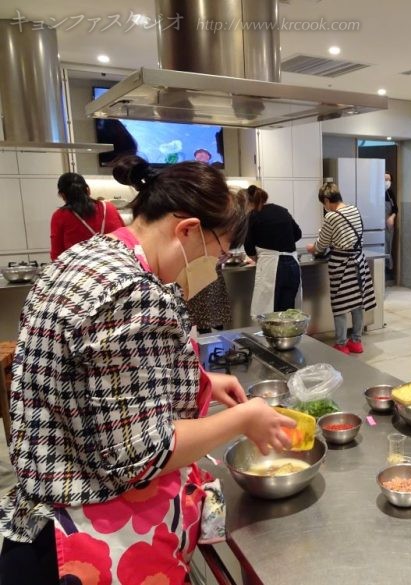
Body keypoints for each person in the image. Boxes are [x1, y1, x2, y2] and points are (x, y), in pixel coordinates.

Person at [0, 156, 296, 584]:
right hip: (88, 539)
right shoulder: (135, 292)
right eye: (217, 254)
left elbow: (94, 384)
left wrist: (202, 383)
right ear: (188, 229)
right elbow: (143, 454)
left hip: (42, 522)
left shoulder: (87, 257)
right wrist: (244, 418)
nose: (213, 270)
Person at [306, 182, 376, 355]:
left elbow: (321, 245)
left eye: (324, 204)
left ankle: (341, 344)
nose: (325, 208)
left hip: (341, 265)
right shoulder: (354, 210)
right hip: (358, 262)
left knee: (340, 304)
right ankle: (356, 342)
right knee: (357, 303)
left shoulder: (331, 216)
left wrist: (311, 248)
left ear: (328, 199)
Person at [243, 185, 303, 315]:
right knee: (288, 312)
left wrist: (259, 256)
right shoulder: (282, 211)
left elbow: (249, 247)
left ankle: (272, 335)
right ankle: (287, 335)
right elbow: (298, 234)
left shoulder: (253, 215)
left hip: (271, 268)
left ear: (249, 202)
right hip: (292, 265)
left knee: (270, 314)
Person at [50, 172, 125, 260]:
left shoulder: (60, 216)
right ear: (88, 190)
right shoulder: (109, 208)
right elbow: (125, 237)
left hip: (82, 270)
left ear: (63, 195)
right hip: (116, 265)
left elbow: (57, 254)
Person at [384, 172, 398, 274]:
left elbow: (395, 209)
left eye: (388, 180)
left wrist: (392, 218)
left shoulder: (390, 193)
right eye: (384, 179)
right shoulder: (374, 191)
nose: (386, 182)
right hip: (376, 224)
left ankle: (387, 270)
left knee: (388, 246)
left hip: (388, 224)